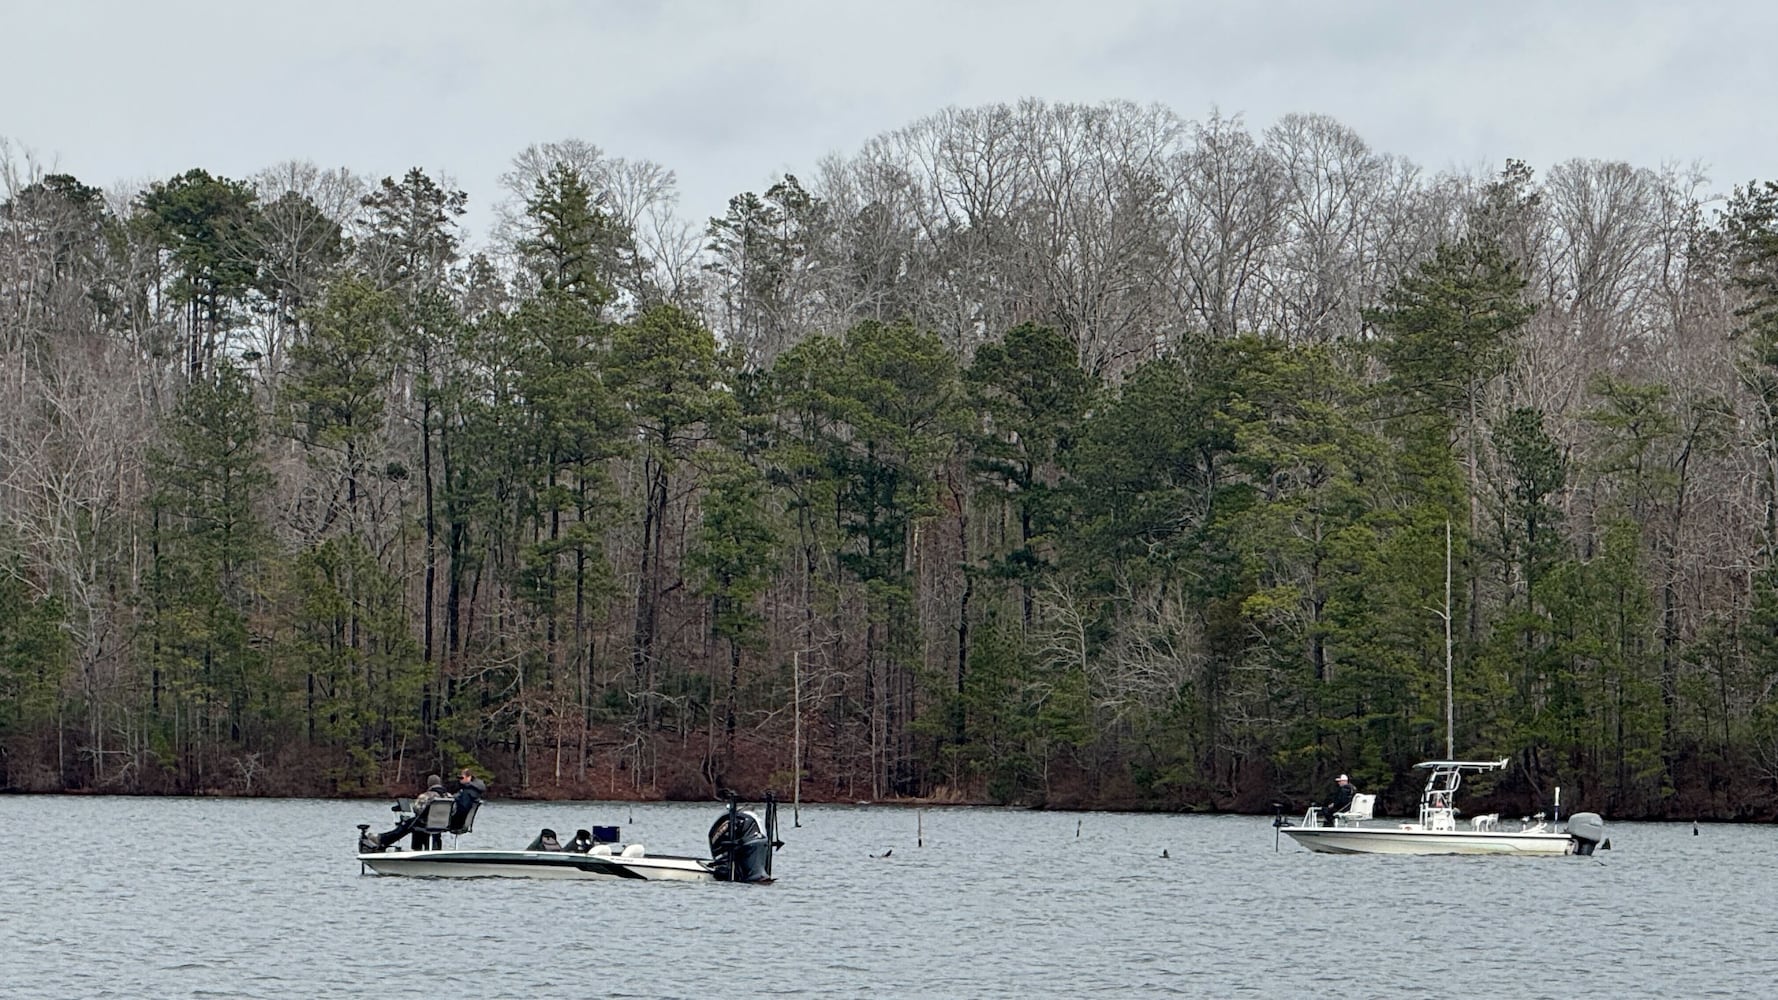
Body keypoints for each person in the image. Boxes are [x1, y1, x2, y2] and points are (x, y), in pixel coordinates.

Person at [360, 774, 450, 852]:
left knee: (407, 824)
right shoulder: (449, 796)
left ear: (429, 784)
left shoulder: (426, 796)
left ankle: (382, 840)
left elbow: (416, 809)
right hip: (444, 825)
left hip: (426, 824)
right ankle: (431, 848)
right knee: (414, 822)